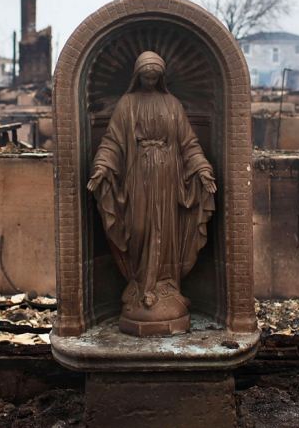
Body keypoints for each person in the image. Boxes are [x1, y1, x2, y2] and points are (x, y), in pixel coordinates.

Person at [87, 50, 216, 335]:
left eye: (154, 76)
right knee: (139, 228)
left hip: (168, 179)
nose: (150, 80)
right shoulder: (127, 104)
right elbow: (112, 142)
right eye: (145, 75)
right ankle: (138, 283)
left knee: (166, 231)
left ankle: (165, 284)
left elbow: (189, 144)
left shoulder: (172, 104)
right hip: (138, 177)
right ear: (137, 75)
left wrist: (202, 169)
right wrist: (102, 167)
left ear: (161, 77)